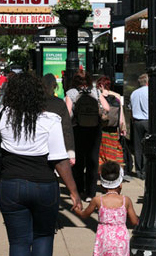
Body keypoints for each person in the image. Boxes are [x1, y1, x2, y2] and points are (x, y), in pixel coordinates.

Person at [0, 72, 82, 256]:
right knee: (43, 236)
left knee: (19, 242)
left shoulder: (2, 115)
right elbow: (60, 160)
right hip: (44, 185)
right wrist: (74, 192)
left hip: (11, 185)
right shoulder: (50, 119)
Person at [65, 69, 110, 201]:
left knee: (78, 161)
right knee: (93, 160)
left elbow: (67, 113)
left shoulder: (71, 93)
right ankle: (91, 193)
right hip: (94, 130)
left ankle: (79, 189)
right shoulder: (95, 91)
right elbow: (107, 108)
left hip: (77, 129)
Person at [42, 73, 75, 162]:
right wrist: (71, 153)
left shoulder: (36, 103)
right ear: (55, 86)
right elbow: (66, 129)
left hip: (39, 147)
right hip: (56, 147)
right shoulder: (59, 104)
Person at [96, 76, 126, 168]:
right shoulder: (116, 97)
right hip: (114, 131)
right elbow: (121, 117)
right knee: (113, 152)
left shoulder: (99, 97)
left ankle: (104, 174)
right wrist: (123, 128)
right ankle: (114, 172)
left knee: (102, 154)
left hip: (102, 131)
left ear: (101, 85)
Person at [129, 73, 149, 179]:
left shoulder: (134, 93)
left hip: (137, 122)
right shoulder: (151, 92)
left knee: (138, 147)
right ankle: (145, 170)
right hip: (148, 121)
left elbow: (131, 109)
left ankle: (138, 170)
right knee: (147, 146)